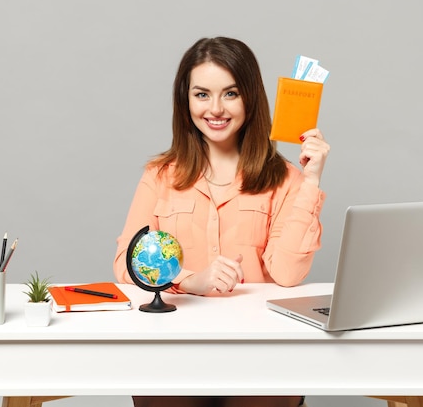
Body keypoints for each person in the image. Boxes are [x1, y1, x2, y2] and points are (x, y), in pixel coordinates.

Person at [113, 36, 329, 407]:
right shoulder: (159, 176)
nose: (215, 108)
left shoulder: (285, 179)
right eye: (202, 95)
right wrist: (191, 281)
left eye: (230, 94)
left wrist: (311, 182)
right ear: (186, 101)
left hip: (262, 350)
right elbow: (126, 264)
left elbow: (288, 274)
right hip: (174, 348)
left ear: (250, 98)